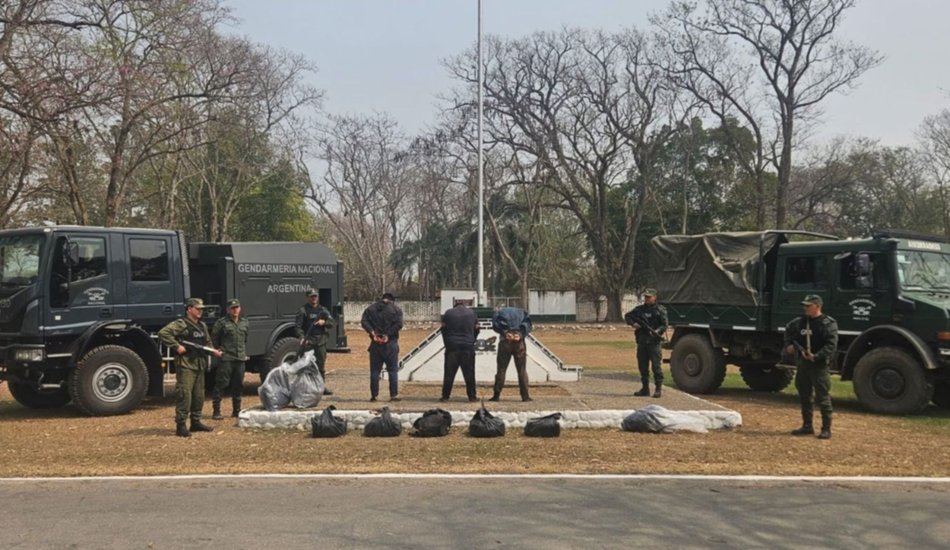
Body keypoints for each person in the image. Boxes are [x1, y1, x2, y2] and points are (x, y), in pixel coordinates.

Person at [159, 298, 223, 438]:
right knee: (185, 394)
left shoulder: (202, 326)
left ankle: (195, 422)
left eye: (201, 309)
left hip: (199, 364)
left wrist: (214, 352)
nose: (200, 311)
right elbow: (163, 333)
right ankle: (181, 425)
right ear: (189, 309)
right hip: (186, 364)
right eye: (197, 308)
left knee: (199, 395)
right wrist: (177, 346)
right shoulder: (182, 324)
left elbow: (207, 343)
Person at [784, 294, 838, 440]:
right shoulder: (799, 322)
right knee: (804, 395)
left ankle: (826, 429)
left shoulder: (827, 323)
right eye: (805, 306)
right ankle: (807, 426)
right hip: (803, 364)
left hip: (819, 366)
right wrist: (789, 346)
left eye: (808, 306)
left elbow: (831, 345)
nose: (805, 308)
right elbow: (788, 331)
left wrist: (816, 355)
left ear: (817, 306)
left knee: (823, 397)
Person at [624, 288, 668, 398]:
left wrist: (657, 331)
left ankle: (658, 389)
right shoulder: (639, 310)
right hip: (642, 342)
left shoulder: (660, 310)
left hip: (654, 343)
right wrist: (633, 324)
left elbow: (664, 324)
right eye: (645, 297)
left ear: (654, 297)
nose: (647, 299)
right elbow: (627, 316)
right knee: (643, 367)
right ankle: (645, 389)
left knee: (656, 367)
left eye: (649, 297)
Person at [210, 298, 249, 420]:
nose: (235, 310)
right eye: (232, 308)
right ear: (228, 310)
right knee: (221, 384)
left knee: (238, 385)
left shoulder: (245, 322)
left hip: (240, 358)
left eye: (237, 307)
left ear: (240, 309)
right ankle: (216, 411)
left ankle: (236, 410)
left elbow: (245, 339)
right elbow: (214, 338)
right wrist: (218, 350)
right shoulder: (221, 323)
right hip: (226, 358)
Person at [361, 292, 403, 402]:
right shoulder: (396, 309)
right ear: (392, 300)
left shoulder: (370, 309)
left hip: (375, 344)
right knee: (393, 371)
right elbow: (399, 324)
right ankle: (393, 395)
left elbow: (364, 321)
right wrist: (387, 335)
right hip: (391, 343)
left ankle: (374, 395)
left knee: (375, 371)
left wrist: (373, 333)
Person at [294, 289, 335, 395]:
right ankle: (307, 387)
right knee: (307, 366)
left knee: (321, 366)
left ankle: (321, 387)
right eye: (312, 296)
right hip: (309, 341)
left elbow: (332, 322)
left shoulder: (323, 310)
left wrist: (324, 322)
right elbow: (298, 327)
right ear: (307, 297)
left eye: (315, 296)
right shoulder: (303, 310)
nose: (314, 298)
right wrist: (301, 337)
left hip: (320, 341)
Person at [489, 306, 532, 402]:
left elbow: (495, 325)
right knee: (522, 370)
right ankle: (525, 396)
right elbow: (528, 325)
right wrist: (520, 334)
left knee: (501, 370)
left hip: (505, 341)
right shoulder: (522, 312)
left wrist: (505, 333)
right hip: (519, 343)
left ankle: (496, 395)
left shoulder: (500, 312)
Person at [440, 299, 480, 402]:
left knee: (449, 373)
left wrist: (447, 343)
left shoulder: (448, 313)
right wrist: (472, 340)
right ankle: (472, 396)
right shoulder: (472, 313)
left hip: (452, 347)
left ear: (454, 305)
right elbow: (477, 329)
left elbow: (443, 329)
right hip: (467, 346)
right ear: (464, 305)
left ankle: (445, 396)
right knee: (469, 373)